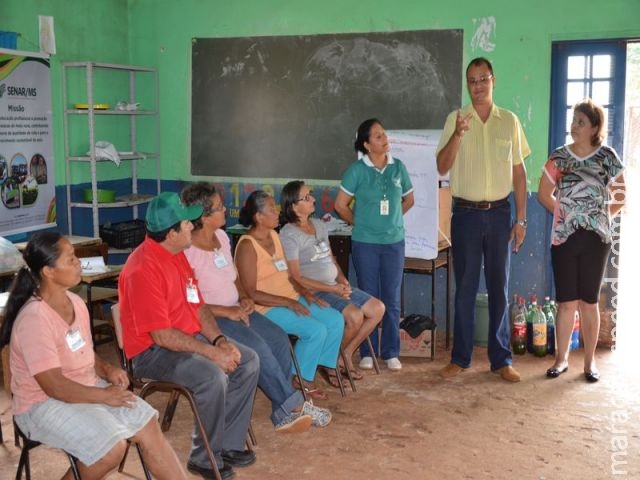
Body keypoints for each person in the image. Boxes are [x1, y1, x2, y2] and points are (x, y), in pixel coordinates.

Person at [0, 231, 187, 480]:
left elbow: (85, 353)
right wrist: (103, 395)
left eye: (75, 257)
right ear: (48, 271)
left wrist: (108, 371)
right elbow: (53, 386)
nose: (78, 262)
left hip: (84, 387)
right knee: (111, 449)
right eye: (70, 259)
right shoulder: (35, 318)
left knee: (147, 424)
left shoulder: (76, 303)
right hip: (41, 405)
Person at [118, 192, 260, 480]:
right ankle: (204, 458)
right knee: (212, 375)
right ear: (171, 233)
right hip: (152, 353)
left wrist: (220, 342)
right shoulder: (143, 268)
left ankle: (227, 445)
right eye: (186, 223)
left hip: (185, 338)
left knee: (248, 360)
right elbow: (162, 336)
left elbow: (198, 307)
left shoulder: (177, 255)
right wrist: (211, 353)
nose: (192, 226)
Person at [180, 182, 331, 429]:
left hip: (237, 309)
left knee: (279, 339)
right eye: (218, 208)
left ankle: (281, 408)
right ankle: (292, 406)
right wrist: (227, 311)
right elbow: (189, 302)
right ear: (203, 216)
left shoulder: (220, 237)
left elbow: (234, 277)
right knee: (259, 348)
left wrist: (243, 298)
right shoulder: (188, 250)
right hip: (212, 318)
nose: (224, 210)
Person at [436, 57, 530, 383]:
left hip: (501, 213)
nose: (478, 86)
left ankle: (501, 359)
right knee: (464, 288)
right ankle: (460, 358)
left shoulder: (510, 121)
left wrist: (522, 220)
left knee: (499, 288)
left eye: (483, 79)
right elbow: (441, 165)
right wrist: (458, 135)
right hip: (465, 215)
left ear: (493, 80)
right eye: (472, 80)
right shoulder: (456, 119)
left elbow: (519, 174)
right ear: (467, 84)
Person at [538, 98, 626, 383]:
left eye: (580, 122)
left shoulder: (608, 157)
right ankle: (560, 360)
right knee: (566, 302)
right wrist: (566, 213)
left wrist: (600, 217)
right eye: (573, 120)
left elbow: (622, 197)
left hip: (596, 240)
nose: (574, 127)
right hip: (564, 239)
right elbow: (543, 195)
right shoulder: (559, 157)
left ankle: (589, 364)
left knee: (588, 302)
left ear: (594, 127)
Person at [234, 190, 344, 400]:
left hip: (291, 298)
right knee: (315, 330)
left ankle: (312, 367)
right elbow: (251, 293)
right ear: (258, 217)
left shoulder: (274, 236)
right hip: (266, 308)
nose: (277, 212)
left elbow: (289, 275)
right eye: (271, 209)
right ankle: (301, 379)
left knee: (334, 319)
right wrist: (288, 302)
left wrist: (305, 293)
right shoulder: (247, 246)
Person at [279, 180, 385, 379]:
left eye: (310, 194)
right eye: (306, 197)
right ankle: (330, 362)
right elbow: (295, 277)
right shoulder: (289, 234)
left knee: (378, 308)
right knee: (354, 316)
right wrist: (334, 290)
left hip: (334, 286)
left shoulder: (319, 224)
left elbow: (331, 258)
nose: (313, 199)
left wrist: (343, 280)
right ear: (294, 206)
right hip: (314, 291)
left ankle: (343, 353)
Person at [334, 118, 414, 371]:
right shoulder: (357, 170)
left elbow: (409, 200)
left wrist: (391, 221)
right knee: (368, 296)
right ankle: (366, 351)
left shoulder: (398, 167)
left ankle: (390, 351)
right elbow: (340, 205)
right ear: (367, 145)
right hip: (365, 243)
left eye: (384, 134)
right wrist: (361, 223)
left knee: (391, 299)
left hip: (394, 243)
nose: (384, 138)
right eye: (378, 136)